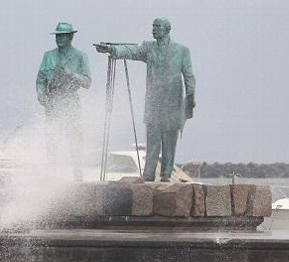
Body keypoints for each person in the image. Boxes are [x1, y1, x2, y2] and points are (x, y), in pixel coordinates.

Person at [95, 18, 196, 182]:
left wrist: (191, 94)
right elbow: (131, 51)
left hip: (173, 103)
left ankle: (165, 175)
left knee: (169, 141)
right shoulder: (149, 48)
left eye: (157, 27)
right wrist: (112, 49)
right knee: (153, 138)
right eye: (153, 26)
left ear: (167, 29)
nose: (154, 29)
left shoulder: (182, 50)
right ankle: (148, 174)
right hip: (153, 101)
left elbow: (189, 75)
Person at [36, 22, 91, 181]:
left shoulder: (81, 56)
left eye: (62, 35)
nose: (59, 39)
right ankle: (52, 176)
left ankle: (77, 176)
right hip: (52, 101)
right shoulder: (48, 56)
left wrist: (72, 74)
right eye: (57, 36)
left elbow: (87, 82)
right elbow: (40, 80)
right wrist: (41, 95)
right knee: (51, 141)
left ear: (71, 36)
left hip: (70, 101)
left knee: (74, 140)